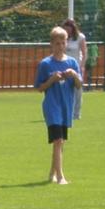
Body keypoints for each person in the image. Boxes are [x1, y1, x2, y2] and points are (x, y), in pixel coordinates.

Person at [35, 26, 83, 185]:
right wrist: (51, 80)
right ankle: (61, 177)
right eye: (57, 43)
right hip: (52, 106)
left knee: (60, 142)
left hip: (65, 107)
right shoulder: (46, 64)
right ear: (51, 44)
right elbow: (40, 87)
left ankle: (52, 173)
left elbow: (78, 85)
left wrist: (74, 75)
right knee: (58, 141)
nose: (60, 46)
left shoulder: (72, 62)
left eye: (63, 43)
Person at [62, 18, 87, 120]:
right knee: (64, 90)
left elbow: (84, 53)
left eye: (69, 29)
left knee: (78, 90)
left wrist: (82, 65)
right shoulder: (63, 37)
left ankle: (76, 114)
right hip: (64, 65)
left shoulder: (80, 37)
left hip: (76, 66)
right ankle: (66, 112)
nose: (67, 31)